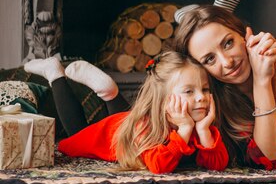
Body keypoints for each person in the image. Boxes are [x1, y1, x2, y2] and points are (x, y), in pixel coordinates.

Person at [24, 51, 229, 174]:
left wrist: (203, 130)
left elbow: (217, 165)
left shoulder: (196, 124)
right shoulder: (148, 126)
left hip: (123, 124)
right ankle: (55, 74)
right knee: (75, 135)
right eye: (189, 91)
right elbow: (159, 166)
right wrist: (185, 129)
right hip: (105, 135)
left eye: (205, 89)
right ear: (164, 100)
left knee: (126, 118)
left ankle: (110, 92)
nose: (201, 97)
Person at [173, 4, 276, 170]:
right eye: (210, 59)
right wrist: (262, 81)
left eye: (228, 43)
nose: (227, 62)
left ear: (244, 34)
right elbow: (270, 159)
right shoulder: (212, 100)